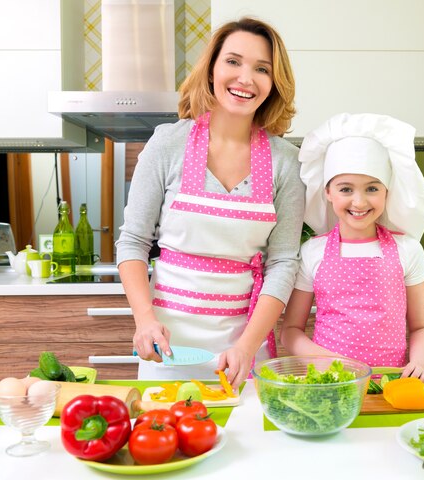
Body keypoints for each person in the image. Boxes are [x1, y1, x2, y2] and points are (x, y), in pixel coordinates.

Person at [116, 17, 305, 388]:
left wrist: (247, 346)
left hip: (242, 351)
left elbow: (283, 261)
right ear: (212, 69)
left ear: (274, 83)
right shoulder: (168, 144)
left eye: (262, 69)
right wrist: (144, 319)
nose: (245, 78)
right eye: (233, 61)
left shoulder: (285, 161)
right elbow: (133, 242)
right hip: (166, 345)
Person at [280, 113, 424, 383]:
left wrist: (419, 364)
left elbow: (422, 327)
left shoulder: (408, 250)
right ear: (327, 192)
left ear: (387, 192)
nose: (359, 201)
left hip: (392, 384)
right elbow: (291, 330)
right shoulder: (312, 252)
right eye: (345, 189)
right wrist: (325, 362)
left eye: (372, 188)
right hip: (329, 382)